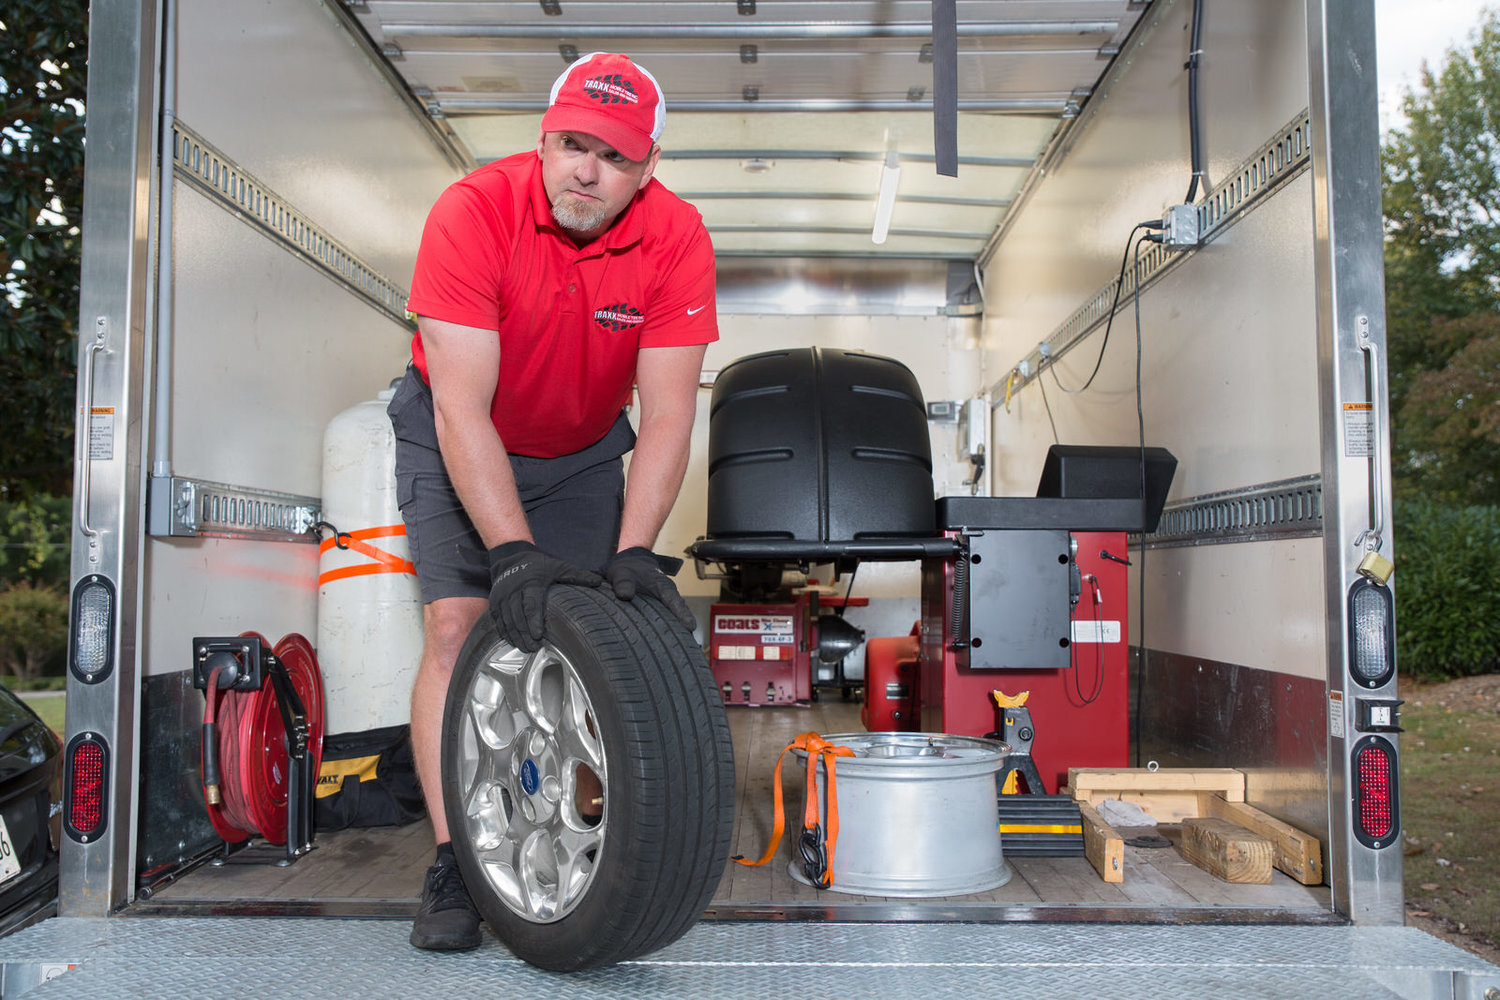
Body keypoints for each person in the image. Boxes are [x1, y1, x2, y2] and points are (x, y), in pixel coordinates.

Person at [387, 51, 717, 952]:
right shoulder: (473, 212)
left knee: (582, 635)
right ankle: (458, 861)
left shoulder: (677, 237)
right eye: (574, 145)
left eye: (615, 157)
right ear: (544, 138)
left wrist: (638, 549)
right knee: (461, 625)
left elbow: (672, 414)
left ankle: (586, 854)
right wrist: (510, 550)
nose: (588, 171)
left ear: (648, 169)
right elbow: (459, 405)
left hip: (578, 455)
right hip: (459, 432)